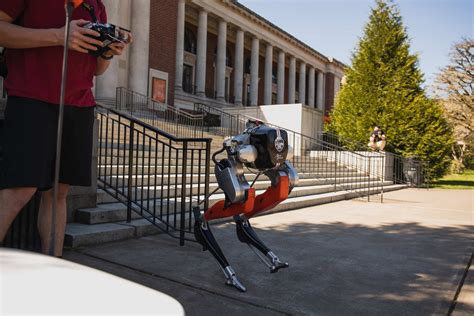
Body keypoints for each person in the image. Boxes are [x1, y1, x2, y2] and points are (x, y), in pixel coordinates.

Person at [0, 0, 132, 257]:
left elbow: (97, 70)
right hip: (31, 98)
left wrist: (108, 50)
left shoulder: (97, 6)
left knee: (59, 192)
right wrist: (60, 35)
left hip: (80, 105)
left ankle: (53, 266)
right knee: (19, 190)